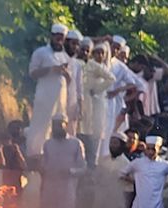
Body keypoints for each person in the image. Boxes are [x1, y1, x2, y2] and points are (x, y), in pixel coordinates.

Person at [39, 115, 87, 208]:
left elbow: (83, 168)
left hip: (67, 189)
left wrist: (70, 171)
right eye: (54, 124)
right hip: (49, 189)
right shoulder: (48, 144)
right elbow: (44, 165)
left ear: (66, 125)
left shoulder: (76, 143)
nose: (57, 127)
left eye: (60, 124)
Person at [27, 24, 71, 158]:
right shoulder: (41, 52)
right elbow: (33, 73)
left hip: (61, 100)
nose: (59, 40)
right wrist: (51, 69)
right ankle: (34, 155)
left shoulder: (65, 56)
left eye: (61, 38)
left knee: (58, 128)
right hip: (45, 96)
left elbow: (69, 80)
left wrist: (65, 74)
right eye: (57, 37)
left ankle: (52, 157)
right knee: (40, 126)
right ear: (51, 36)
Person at [81, 42, 115, 167]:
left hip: (98, 102)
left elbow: (111, 79)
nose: (100, 55)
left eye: (102, 53)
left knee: (97, 131)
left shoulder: (98, 66)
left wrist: (96, 90)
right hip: (88, 101)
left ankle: (93, 161)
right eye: (97, 52)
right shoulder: (90, 64)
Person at [64, 30, 85, 137]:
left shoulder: (77, 64)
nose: (75, 47)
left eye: (77, 44)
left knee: (70, 133)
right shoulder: (57, 58)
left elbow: (79, 87)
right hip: (56, 101)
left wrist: (80, 107)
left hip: (72, 103)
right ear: (66, 42)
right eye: (73, 43)